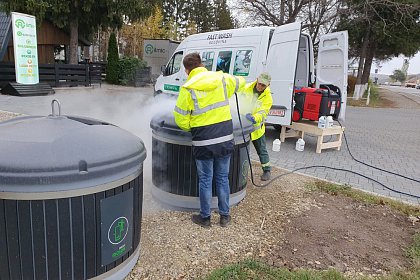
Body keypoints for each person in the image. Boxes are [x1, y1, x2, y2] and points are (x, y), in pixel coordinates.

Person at [173, 52, 245, 228]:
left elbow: (180, 119)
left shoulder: (187, 88)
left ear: (187, 70)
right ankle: (225, 216)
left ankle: (205, 218)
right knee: (222, 178)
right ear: (202, 64)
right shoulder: (221, 79)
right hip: (224, 138)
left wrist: (196, 127)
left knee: (205, 179)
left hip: (203, 141)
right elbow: (240, 83)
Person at [243, 72, 273, 181]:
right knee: (240, 148)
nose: (260, 86)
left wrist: (254, 118)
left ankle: (267, 170)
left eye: (263, 85)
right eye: (259, 83)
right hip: (243, 125)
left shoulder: (268, 98)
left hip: (256, 128)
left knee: (261, 149)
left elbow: (263, 112)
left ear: (268, 85)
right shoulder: (246, 88)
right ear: (257, 79)